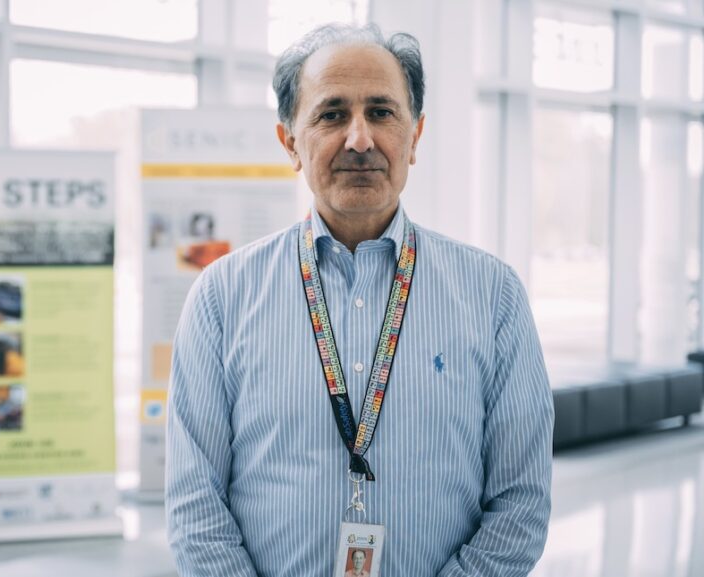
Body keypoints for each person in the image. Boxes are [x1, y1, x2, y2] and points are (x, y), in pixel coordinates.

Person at [166, 22, 553, 577]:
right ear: (290, 142)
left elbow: (521, 501)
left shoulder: (493, 296)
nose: (360, 139)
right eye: (331, 114)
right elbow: (195, 503)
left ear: (415, 136)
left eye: (381, 112)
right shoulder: (222, 297)